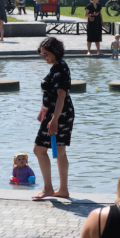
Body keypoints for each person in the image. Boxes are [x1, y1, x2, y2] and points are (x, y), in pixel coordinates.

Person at [32, 37, 75, 200]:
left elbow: (61, 95)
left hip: (59, 114)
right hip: (59, 112)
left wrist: (54, 119)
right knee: (61, 151)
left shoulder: (60, 68)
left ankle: (48, 188)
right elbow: (52, 94)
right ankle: (62, 189)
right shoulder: (59, 66)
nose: (44, 58)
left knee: (39, 150)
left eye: (46, 54)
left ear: (55, 52)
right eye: (41, 55)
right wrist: (43, 109)